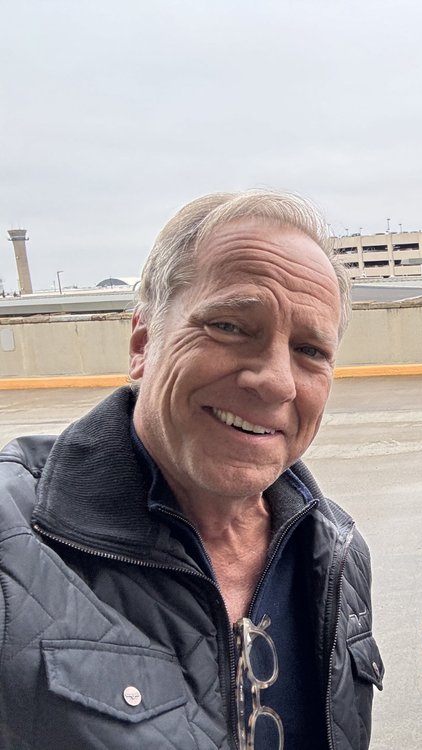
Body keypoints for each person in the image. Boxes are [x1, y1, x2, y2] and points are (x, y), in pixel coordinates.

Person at [0, 191, 383, 749]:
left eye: (310, 350)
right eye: (230, 326)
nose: (276, 381)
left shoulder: (337, 554)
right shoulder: (14, 543)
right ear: (142, 342)